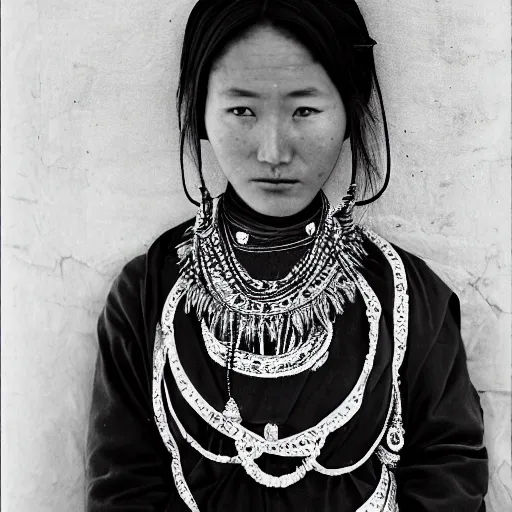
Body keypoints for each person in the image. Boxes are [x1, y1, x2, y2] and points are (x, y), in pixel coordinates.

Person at [85, 1, 489, 510]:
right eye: (241, 110)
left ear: (348, 111)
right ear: (201, 115)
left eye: (304, 109)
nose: (274, 151)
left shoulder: (407, 296)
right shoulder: (145, 295)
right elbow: (122, 485)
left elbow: (450, 468)